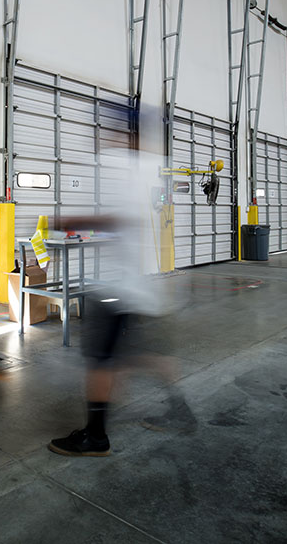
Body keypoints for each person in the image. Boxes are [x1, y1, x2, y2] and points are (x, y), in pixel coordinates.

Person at [47, 143, 195, 457]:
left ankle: (96, 437)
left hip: (116, 289)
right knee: (133, 357)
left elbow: (119, 219)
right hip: (133, 288)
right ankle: (180, 409)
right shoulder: (147, 166)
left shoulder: (124, 167)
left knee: (100, 361)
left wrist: (69, 220)